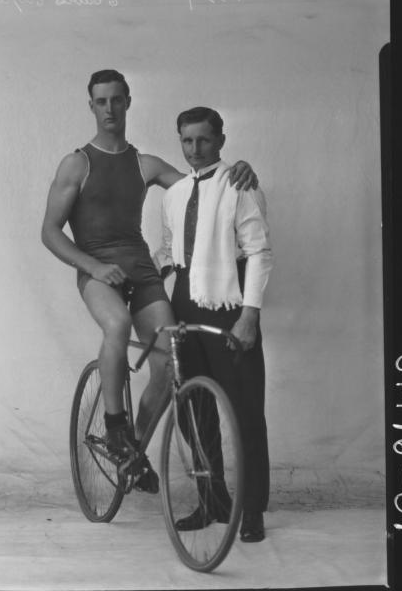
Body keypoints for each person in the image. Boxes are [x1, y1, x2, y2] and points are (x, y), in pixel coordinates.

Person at [41, 70, 258, 493]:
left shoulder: (145, 165)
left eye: (116, 100)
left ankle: (133, 452)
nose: (109, 108)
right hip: (98, 270)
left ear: (127, 102)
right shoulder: (77, 163)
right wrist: (94, 266)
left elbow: (204, 186)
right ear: (91, 106)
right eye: (101, 101)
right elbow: (49, 232)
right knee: (117, 327)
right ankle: (116, 429)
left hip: (141, 270)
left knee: (168, 359)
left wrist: (240, 172)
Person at [155, 106, 272, 542]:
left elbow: (259, 252)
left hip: (228, 306)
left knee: (244, 413)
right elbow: (169, 252)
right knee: (193, 409)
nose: (195, 149)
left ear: (220, 140)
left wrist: (249, 316)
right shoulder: (174, 192)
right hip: (183, 304)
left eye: (204, 140)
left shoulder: (239, 184)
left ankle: (253, 509)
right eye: (187, 141)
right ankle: (212, 500)